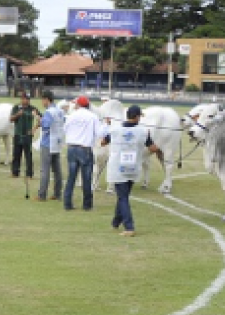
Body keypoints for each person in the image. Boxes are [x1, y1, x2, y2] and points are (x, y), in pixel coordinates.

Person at [101, 105, 160, 237]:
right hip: (133, 167)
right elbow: (153, 148)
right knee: (123, 196)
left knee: (122, 197)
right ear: (137, 117)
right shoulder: (144, 131)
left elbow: (103, 142)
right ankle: (116, 221)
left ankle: (129, 227)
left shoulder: (115, 129)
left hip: (117, 167)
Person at [62, 96, 102, 211]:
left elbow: (65, 129)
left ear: (79, 105)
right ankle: (87, 205)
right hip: (84, 149)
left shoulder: (71, 116)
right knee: (87, 178)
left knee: (71, 177)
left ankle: (67, 203)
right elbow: (100, 133)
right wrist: (106, 124)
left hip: (71, 148)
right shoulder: (93, 117)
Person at [36, 91, 64, 201]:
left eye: (43, 99)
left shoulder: (49, 112)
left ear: (47, 99)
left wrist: (39, 119)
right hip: (57, 142)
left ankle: (42, 194)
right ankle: (57, 193)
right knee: (57, 170)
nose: (42, 102)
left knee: (45, 170)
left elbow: (45, 126)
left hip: (48, 142)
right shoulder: (60, 111)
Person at [10, 92, 40, 178]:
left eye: (27, 99)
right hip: (17, 134)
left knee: (28, 155)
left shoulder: (33, 109)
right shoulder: (16, 107)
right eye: (24, 98)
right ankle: (15, 172)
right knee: (16, 154)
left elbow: (41, 120)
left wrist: (34, 129)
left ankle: (29, 174)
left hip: (27, 135)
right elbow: (11, 119)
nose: (25, 100)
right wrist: (17, 115)